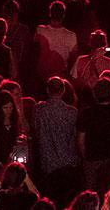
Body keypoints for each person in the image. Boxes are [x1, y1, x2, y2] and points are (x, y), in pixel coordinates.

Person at [77, 77, 110, 193]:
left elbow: (81, 142)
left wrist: (85, 159)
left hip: (92, 160)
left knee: (91, 196)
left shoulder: (86, 114)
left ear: (95, 94)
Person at [33, 76, 79, 206]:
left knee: (50, 202)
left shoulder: (39, 110)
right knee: (67, 202)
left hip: (48, 164)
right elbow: (76, 136)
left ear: (47, 90)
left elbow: (35, 129)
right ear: (63, 90)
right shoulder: (72, 112)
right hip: (68, 163)